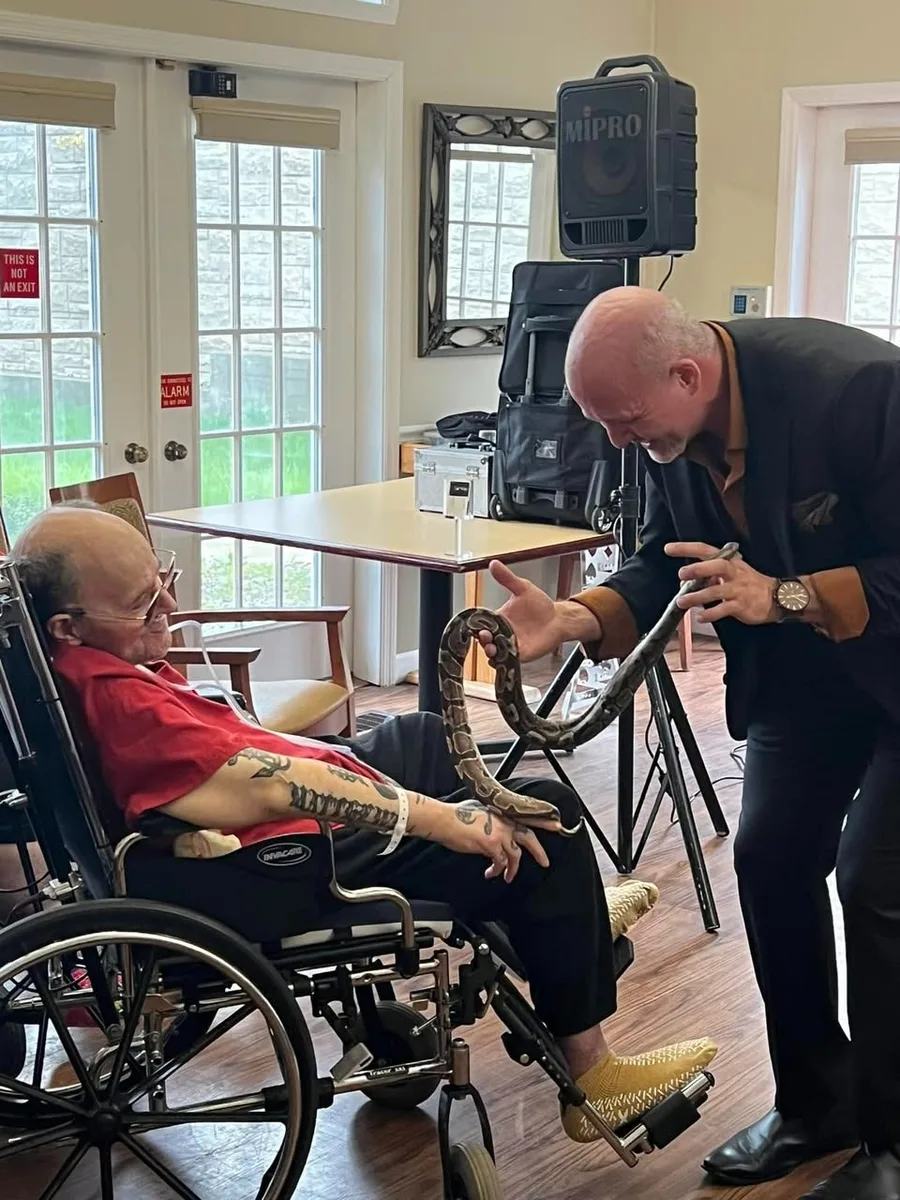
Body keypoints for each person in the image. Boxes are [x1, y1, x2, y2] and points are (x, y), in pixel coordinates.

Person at [11, 503, 717, 1144]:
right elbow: (285, 791)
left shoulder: (88, 666)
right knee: (547, 819)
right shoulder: (128, 713)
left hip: (271, 831)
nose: (169, 604)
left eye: (162, 580)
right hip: (282, 863)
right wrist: (441, 821)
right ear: (67, 628)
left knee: (420, 732)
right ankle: (591, 1068)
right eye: (143, 604)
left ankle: (564, 929)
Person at [479, 285, 900, 1199]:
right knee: (771, 855)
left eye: (626, 421)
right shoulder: (662, 421)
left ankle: (893, 1146)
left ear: (687, 371)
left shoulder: (861, 388)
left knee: (876, 882)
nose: (621, 442)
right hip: (808, 680)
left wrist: (788, 596)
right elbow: (664, 552)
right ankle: (815, 1105)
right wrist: (577, 616)